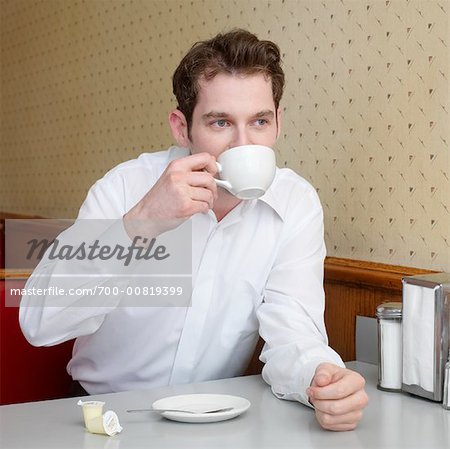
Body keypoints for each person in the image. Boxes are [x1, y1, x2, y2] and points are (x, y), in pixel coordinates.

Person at [19, 29, 368, 431]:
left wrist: (321, 379)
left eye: (259, 121)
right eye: (220, 122)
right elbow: (39, 323)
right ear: (181, 127)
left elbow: (294, 333)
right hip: (104, 417)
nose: (243, 144)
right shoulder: (124, 187)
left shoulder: (295, 203)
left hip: (219, 421)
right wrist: (143, 222)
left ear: (278, 122)